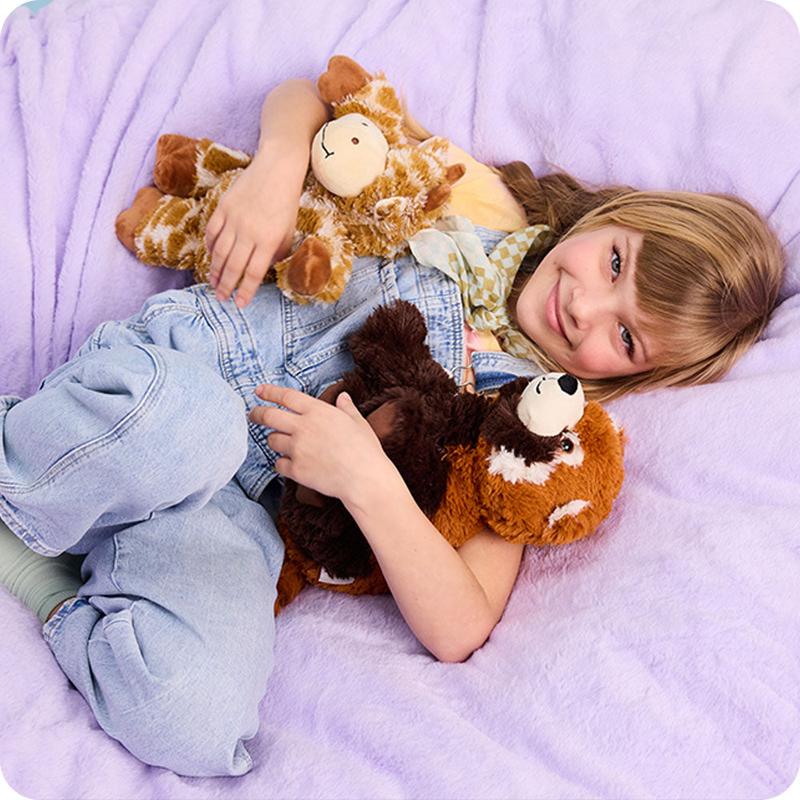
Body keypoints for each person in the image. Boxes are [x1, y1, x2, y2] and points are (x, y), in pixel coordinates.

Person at [0, 76, 785, 777]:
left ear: (637, 377)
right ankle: (23, 471)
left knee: (198, 720)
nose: (585, 307)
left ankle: (45, 575)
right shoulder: (462, 201)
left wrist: (367, 482)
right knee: (192, 425)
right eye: (615, 264)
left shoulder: (526, 436)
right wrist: (278, 171)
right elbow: (310, 98)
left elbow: (461, 625)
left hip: (236, 512)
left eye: (626, 337)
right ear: (611, 218)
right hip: (180, 380)